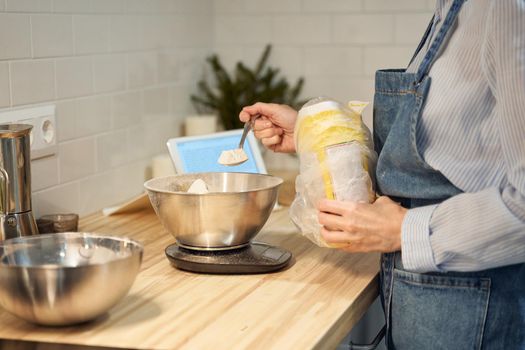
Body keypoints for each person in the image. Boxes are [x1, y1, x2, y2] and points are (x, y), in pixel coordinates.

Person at [239, 0, 525, 349]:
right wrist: (310, 131)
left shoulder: (505, 8)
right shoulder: (451, 9)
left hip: (474, 310)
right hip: (421, 296)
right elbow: (447, 151)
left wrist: (405, 229)